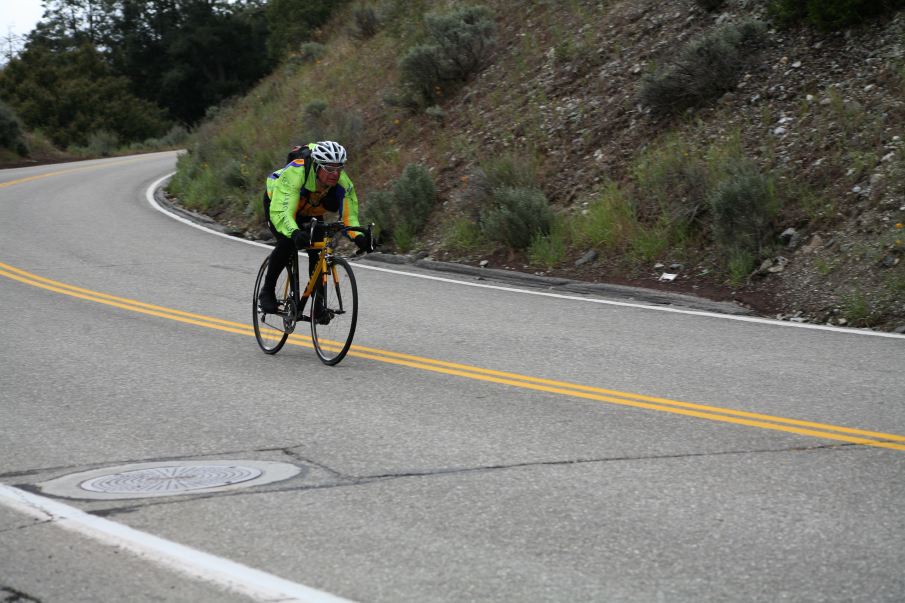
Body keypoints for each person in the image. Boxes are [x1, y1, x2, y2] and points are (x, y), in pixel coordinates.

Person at [258, 140, 373, 313]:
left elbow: (350, 217)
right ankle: (267, 292)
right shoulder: (296, 173)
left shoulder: (343, 183)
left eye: (339, 168)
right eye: (329, 168)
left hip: (309, 210)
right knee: (287, 243)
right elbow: (282, 213)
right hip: (279, 204)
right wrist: (295, 232)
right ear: (317, 166)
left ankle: (318, 304)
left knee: (319, 250)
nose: (335, 174)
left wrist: (359, 237)